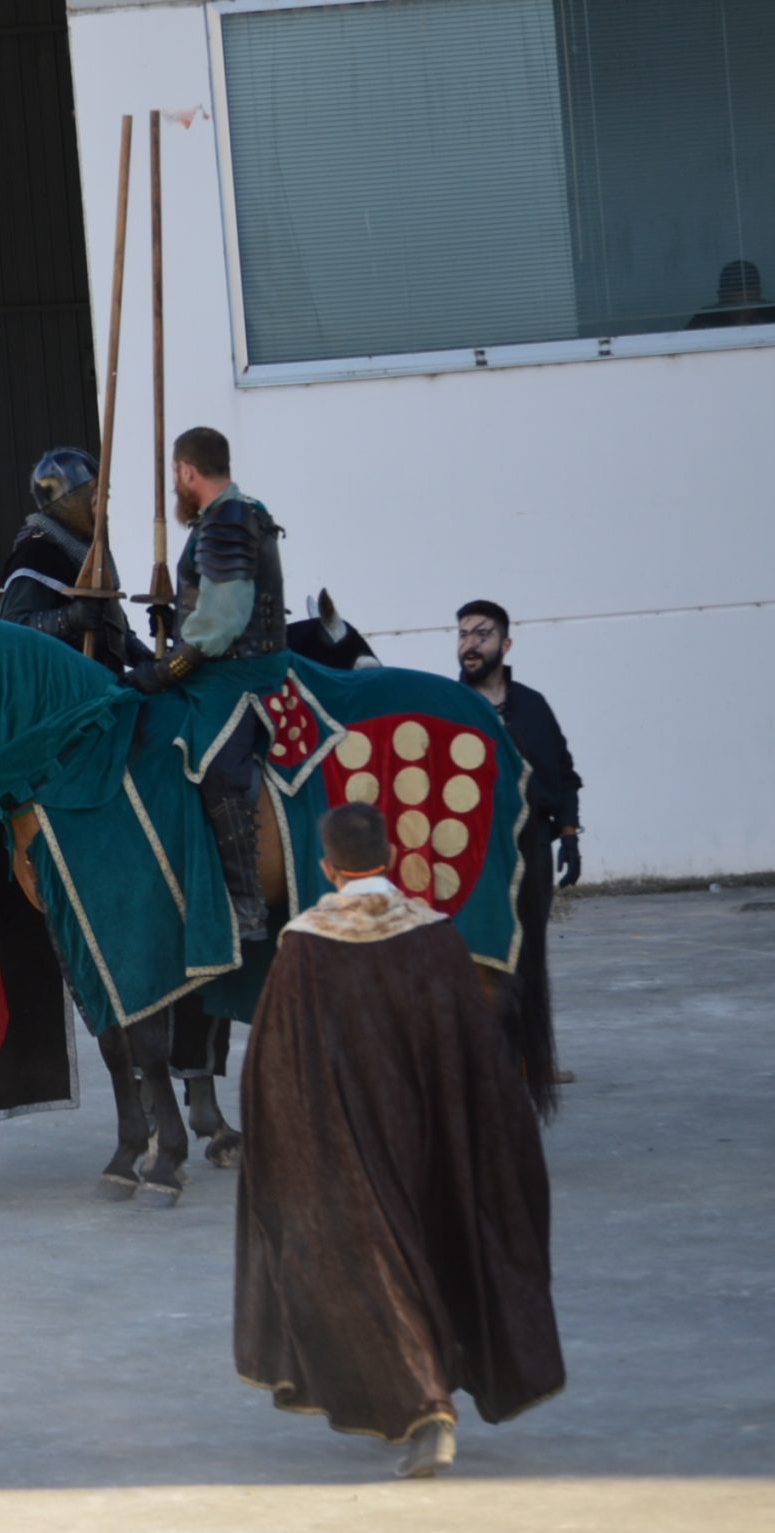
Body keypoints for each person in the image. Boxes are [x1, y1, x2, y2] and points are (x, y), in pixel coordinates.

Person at [235, 803, 566, 1479]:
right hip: (434, 1139)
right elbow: (477, 1051)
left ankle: (426, 1407)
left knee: (376, 1268)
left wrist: (289, 1154)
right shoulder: (436, 936)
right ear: (390, 856)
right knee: (435, 1252)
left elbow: (274, 1065)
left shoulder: (303, 944)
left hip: (349, 1144)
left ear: (326, 866)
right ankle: (434, 1392)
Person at [124, 427, 287, 943]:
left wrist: (170, 667)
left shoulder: (227, 520)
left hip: (238, 674)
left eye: (176, 472)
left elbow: (224, 619)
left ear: (187, 471)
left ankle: (247, 906)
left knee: (217, 766)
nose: (176, 481)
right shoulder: (227, 517)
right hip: (223, 666)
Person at [457, 599, 583, 1090]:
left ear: (505, 645)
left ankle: (533, 1059)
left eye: (481, 634)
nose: (470, 643)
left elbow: (566, 774)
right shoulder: (450, 705)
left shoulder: (532, 705)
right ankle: (484, 1061)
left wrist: (569, 837)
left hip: (531, 845)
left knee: (529, 954)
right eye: (463, 634)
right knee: (479, 955)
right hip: (474, 851)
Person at [0, 446, 140, 673]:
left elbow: (110, 629)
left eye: (104, 498)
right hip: (62, 695)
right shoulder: (37, 553)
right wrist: (71, 618)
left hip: (102, 687)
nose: (102, 508)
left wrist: (143, 656)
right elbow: (13, 627)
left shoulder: (87, 552)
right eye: (94, 497)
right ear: (66, 501)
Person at [685, 258, 775, 331]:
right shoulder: (706, 318)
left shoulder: (772, 313)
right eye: (736, 288)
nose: (744, 295)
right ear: (721, 296)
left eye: (749, 286)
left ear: (758, 293)